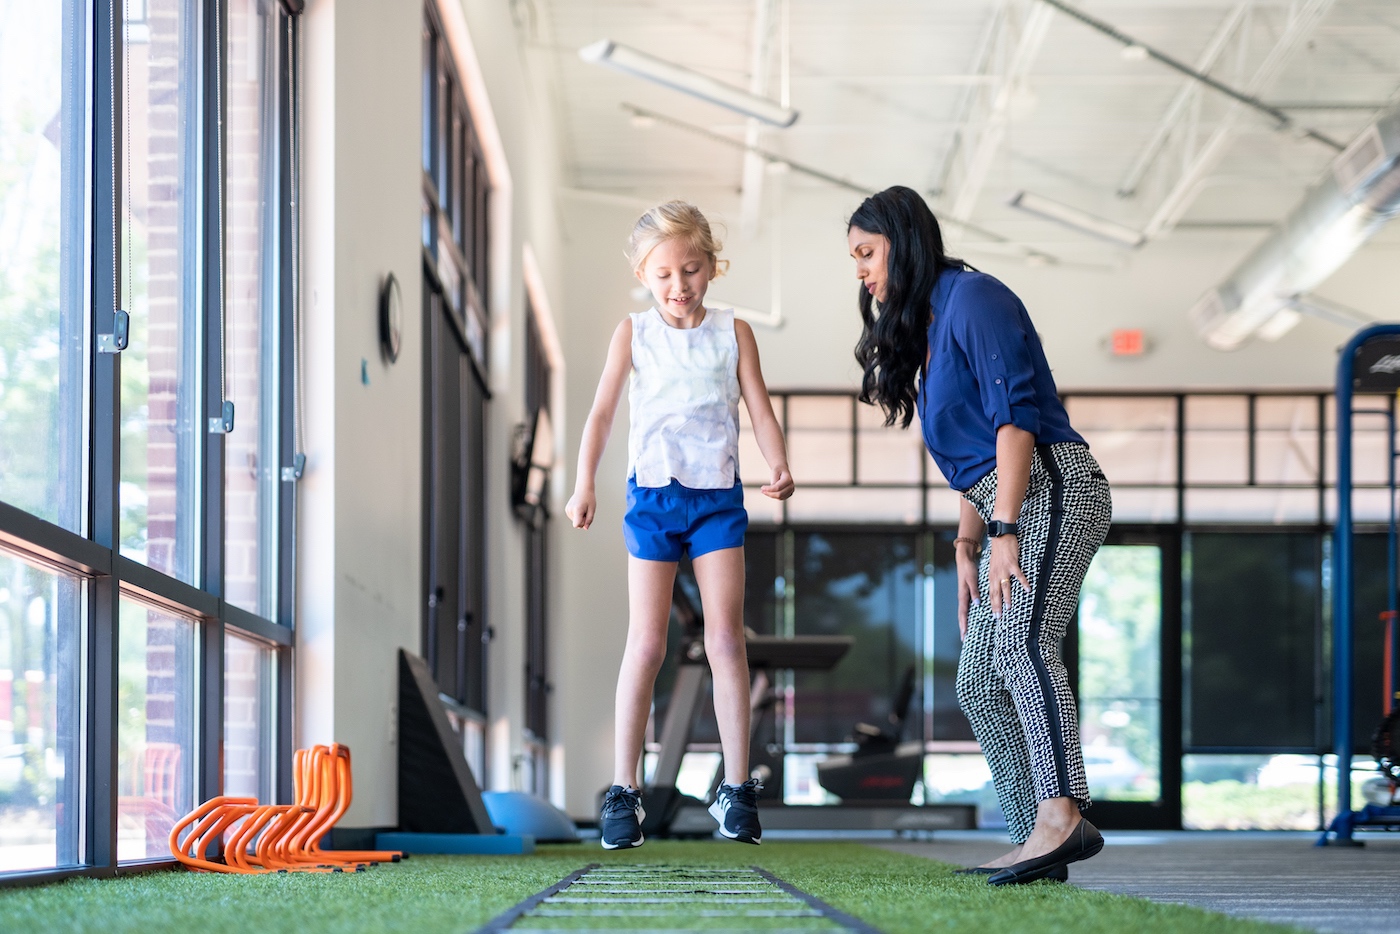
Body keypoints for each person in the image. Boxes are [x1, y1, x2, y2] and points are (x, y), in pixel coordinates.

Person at [847, 186, 1112, 885]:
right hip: (1007, 500)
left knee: (1024, 644)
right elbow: (976, 463)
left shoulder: (975, 297)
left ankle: (1063, 816)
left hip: (1053, 488)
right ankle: (1036, 837)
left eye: (867, 252)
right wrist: (967, 544)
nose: (861, 271)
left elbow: (1014, 423)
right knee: (977, 680)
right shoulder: (933, 327)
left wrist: (1004, 529)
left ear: (903, 241)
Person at [566, 200, 795, 849]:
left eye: (690, 269)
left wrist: (777, 462)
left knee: (726, 640)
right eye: (662, 274)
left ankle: (738, 790)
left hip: (717, 499)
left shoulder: (733, 331)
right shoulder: (633, 334)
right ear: (644, 274)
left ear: (711, 267)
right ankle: (624, 791)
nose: (678, 286)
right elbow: (603, 414)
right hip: (654, 499)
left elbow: (758, 405)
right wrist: (584, 482)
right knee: (648, 642)